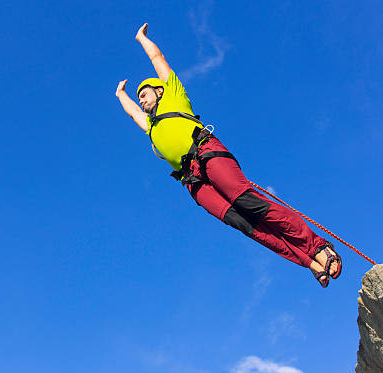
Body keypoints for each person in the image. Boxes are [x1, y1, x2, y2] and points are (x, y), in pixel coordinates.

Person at [115, 23, 342, 287]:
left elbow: (158, 59)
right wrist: (121, 94)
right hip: (193, 182)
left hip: (206, 153)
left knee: (248, 202)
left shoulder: (174, 97)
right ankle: (309, 262)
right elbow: (133, 113)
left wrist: (141, 39)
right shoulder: (151, 128)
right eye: (139, 97)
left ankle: (317, 248)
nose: (141, 100)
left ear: (160, 91)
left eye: (144, 94)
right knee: (244, 224)